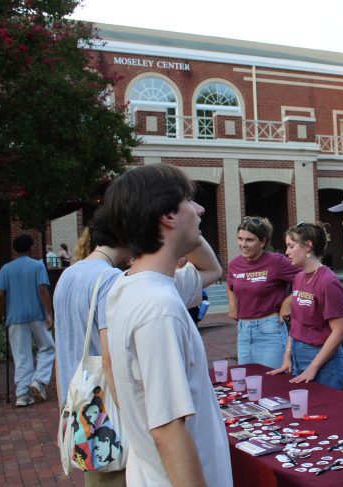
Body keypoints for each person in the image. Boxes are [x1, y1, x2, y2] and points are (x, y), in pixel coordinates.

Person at [103, 163, 231, 486]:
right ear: (168, 216)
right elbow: (167, 431)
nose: (200, 209)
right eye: (190, 201)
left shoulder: (129, 286)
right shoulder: (159, 308)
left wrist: (188, 235)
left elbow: (213, 270)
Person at [53, 207, 131, 486]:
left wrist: (64, 409)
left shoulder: (68, 275)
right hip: (105, 408)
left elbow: (60, 346)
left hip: (78, 404)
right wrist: (131, 416)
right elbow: (109, 358)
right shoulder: (110, 279)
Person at [268, 222, 343, 390]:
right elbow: (296, 322)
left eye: (291, 246)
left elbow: (340, 331)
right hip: (299, 353)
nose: (287, 252)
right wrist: (287, 355)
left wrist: (314, 367)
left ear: (308, 246)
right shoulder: (299, 278)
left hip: (324, 361)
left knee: (326, 411)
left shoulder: (328, 282)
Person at [227, 216, 299, 369]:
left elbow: (305, 278)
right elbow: (230, 284)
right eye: (240, 239)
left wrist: (288, 302)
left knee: (273, 384)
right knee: (249, 381)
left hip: (270, 331)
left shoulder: (277, 262)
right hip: (244, 332)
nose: (243, 244)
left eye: (249, 240)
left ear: (263, 242)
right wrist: (232, 304)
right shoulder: (235, 264)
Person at [0, 235, 55, 407]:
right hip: (36, 314)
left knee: (21, 355)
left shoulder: (6, 269)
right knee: (48, 347)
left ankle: (22, 394)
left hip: (15, 317)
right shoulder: (37, 266)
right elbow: (43, 290)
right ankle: (39, 381)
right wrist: (49, 313)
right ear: (31, 247)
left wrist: (3, 313)